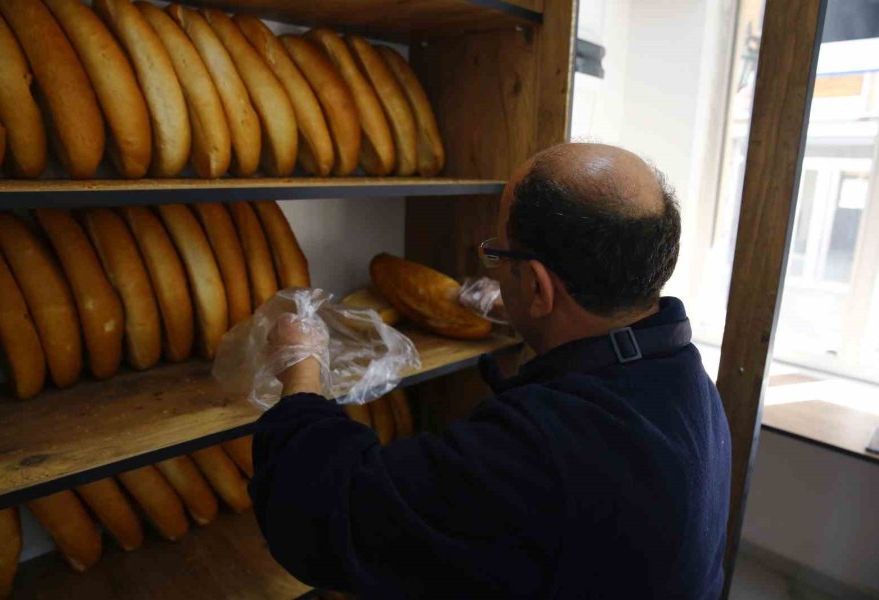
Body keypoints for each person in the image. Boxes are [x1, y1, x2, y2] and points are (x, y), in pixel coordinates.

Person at [250, 143, 732, 599]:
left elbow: (319, 508)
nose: (494, 273)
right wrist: (534, 320)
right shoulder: (685, 379)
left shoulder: (537, 451)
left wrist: (301, 365)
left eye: (498, 254)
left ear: (541, 287)